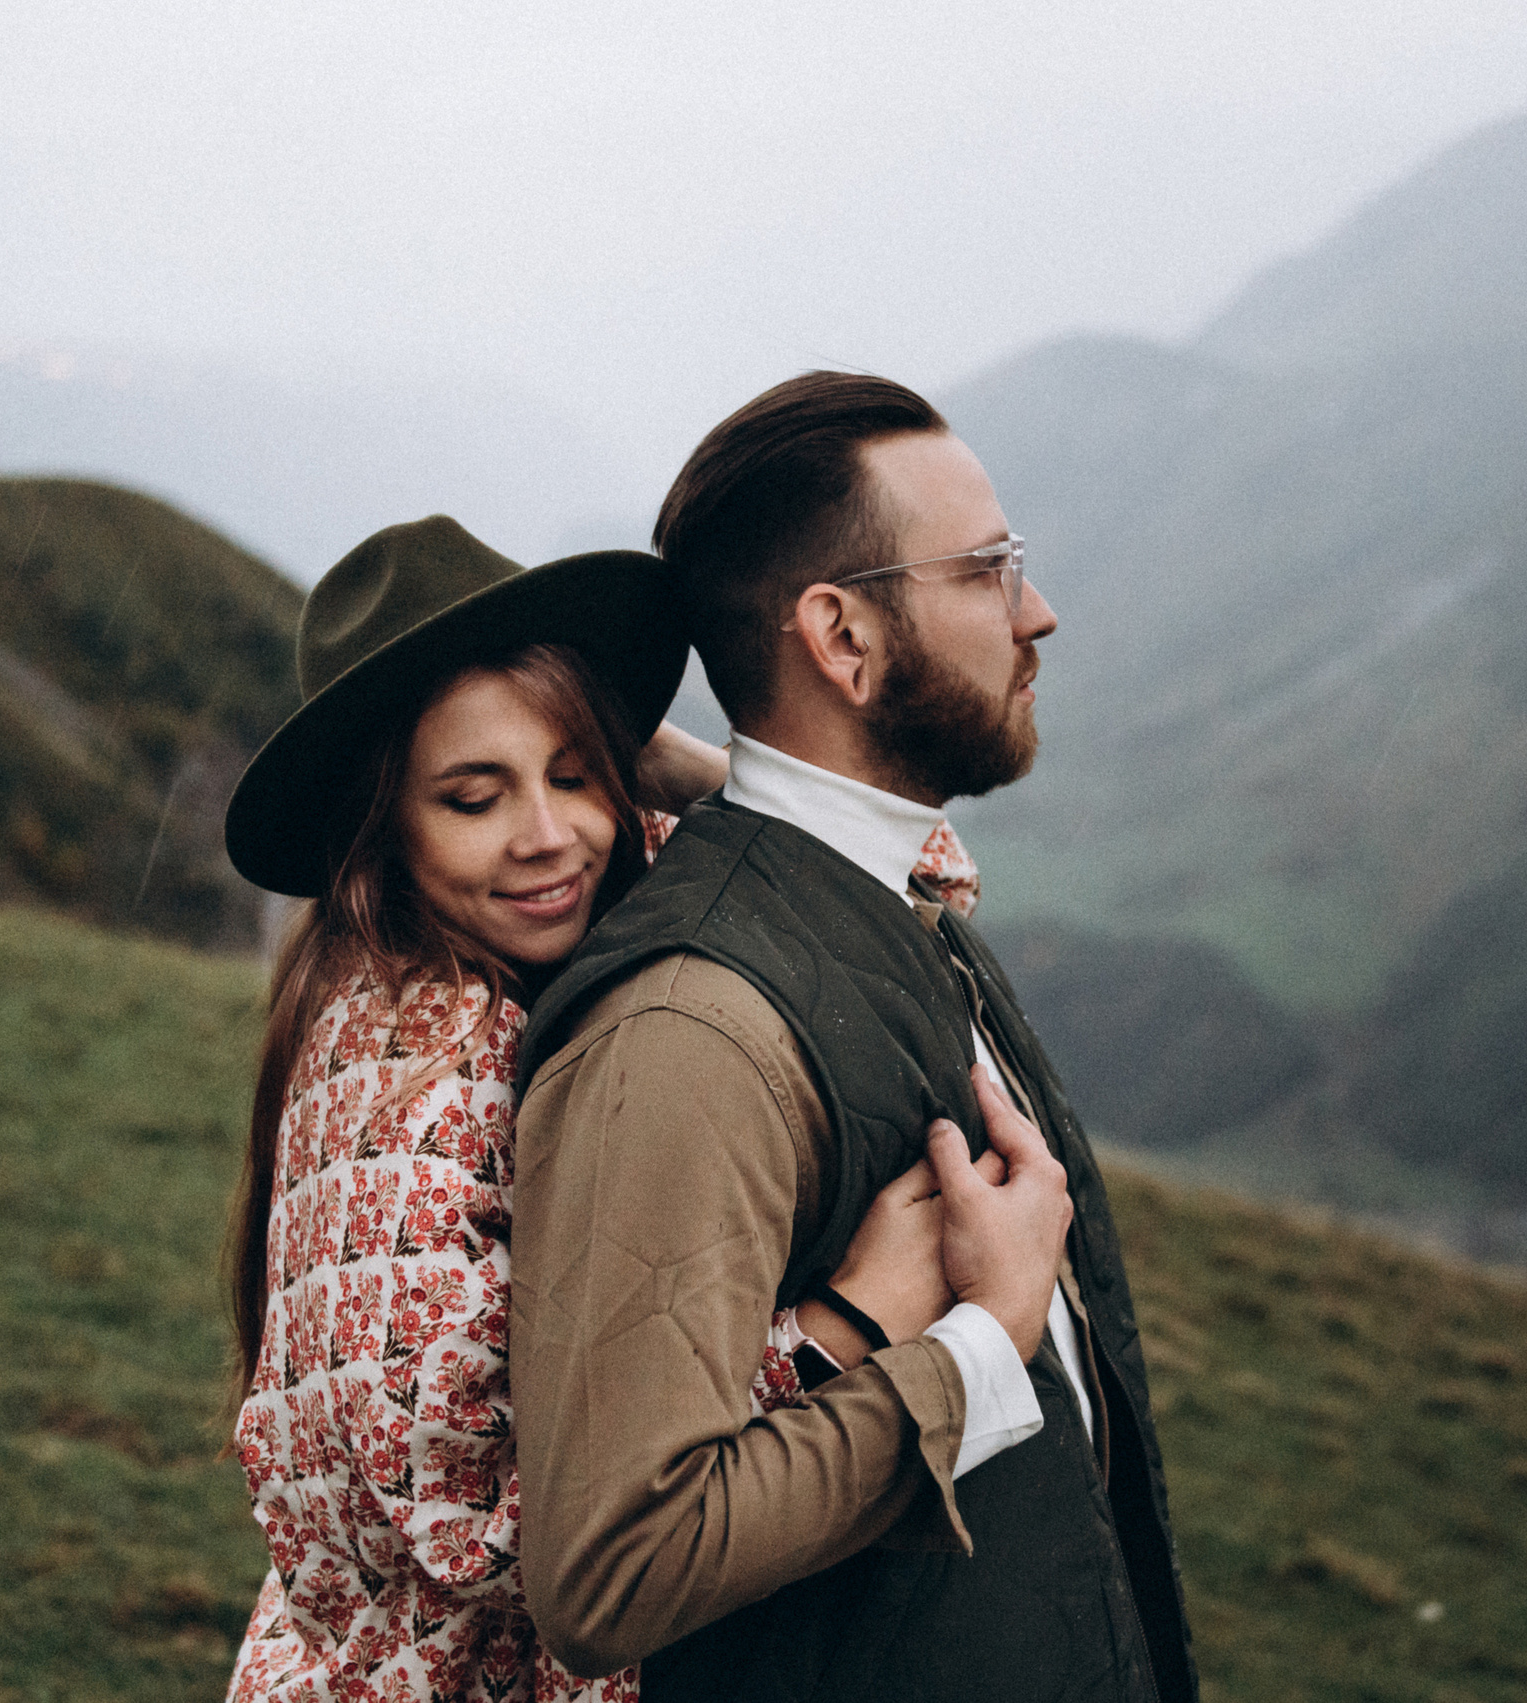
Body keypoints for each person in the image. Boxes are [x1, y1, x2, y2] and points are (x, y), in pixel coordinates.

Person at [216, 516, 1036, 1700]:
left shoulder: (589, 877)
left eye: (570, 773)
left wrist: (679, 762)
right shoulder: (404, 1073)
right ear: (379, 829)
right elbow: (483, 1515)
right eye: (471, 796)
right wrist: (844, 1325)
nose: (546, 837)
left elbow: (917, 870)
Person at [511, 373, 1196, 1702]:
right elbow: (613, 1567)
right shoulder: (687, 1025)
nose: (1036, 612)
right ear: (843, 634)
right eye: (989, 570)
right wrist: (978, 1344)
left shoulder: (910, 903)